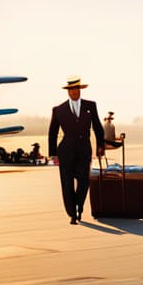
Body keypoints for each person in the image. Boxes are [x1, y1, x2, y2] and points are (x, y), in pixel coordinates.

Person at [48, 76, 105, 224]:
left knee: (84, 181)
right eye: (72, 90)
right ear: (68, 92)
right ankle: (72, 214)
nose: (74, 92)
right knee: (67, 184)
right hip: (65, 152)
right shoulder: (59, 110)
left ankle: (80, 206)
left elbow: (97, 126)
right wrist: (53, 154)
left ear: (80, 90)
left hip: (84, 150)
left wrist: (101, 145)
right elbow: (52, 132)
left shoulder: (90, 106)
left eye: (77, 89)